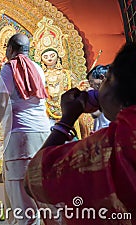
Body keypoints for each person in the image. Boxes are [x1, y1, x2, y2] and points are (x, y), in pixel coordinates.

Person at [24, 43, 136, 225]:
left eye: (107, 79)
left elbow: (36, 178)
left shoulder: (114, 143)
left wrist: (67, 119)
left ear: (119, 87)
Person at [0, 33, 50, 225]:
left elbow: (1, 105)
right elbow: (24, 94)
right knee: (37, 198)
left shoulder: (8, 67)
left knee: (22, 204)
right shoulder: (37, 68)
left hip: (21, 138)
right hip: (43, 136)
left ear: (10, 49)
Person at [86, 65, 111, 132]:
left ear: (101, 78)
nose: (90, 85)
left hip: (107, 130)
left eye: (91, 81)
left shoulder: (106, 93)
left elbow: (95, 114)